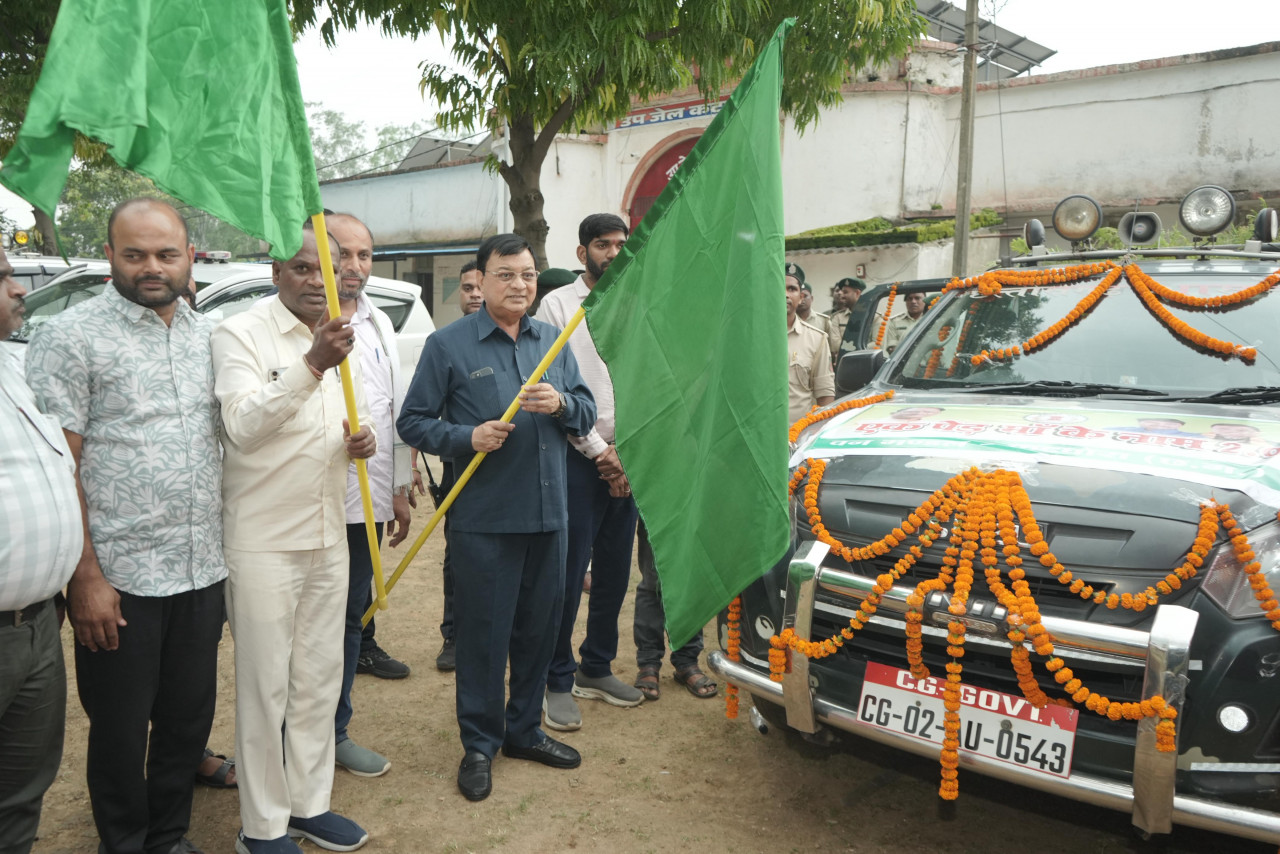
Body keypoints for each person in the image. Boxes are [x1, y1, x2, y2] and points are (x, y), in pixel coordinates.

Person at [25, 199, 227, 854]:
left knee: (187, 719)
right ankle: (125, 840)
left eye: (166, 254)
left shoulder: (208, 335)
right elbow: (59, 466)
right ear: (109, 254)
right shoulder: (70, 337)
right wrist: (85, 577)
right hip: (119, 576)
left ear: (189, 257)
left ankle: (169, 837)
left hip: (201, 566)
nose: (151, 267)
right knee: (118, 728)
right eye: (134, 254)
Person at [397, 233, 596, 802]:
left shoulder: (553, 341)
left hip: (549, 516)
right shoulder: (448, 345)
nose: (519, 285)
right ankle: (480, 745)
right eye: (506, 274)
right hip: (485, 520)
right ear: (480, 282)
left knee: (539, 630)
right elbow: (413, 421)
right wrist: (468, 437)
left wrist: (562, 405)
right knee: (484, 637)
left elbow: (585, 411)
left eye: (528, 275)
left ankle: (524, 730)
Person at [212, 222, 375, 854]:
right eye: (301, 268)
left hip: (327, 535)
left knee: (318, 679)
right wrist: (312, 365)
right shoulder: (240, 333)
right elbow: (242, 427)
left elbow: (330, 423)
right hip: (262, 542)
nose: (315, 281)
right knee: (265, 687)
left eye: (324, 270)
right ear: (276, 270)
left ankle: (310, 805)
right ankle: (262, 826)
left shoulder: (339, 333)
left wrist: (356, 440)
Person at [535, 214, 644, 732]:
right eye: (604, 245)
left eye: (622, 244)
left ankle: (595, 667)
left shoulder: (641, 301)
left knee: (616, 572)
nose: (615, 253)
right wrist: (601, 452)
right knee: (566, 571)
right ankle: (556, 677)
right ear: (583, 253)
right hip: (576, 458)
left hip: (631, 455)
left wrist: (628, 452)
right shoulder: (558, 306)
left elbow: (648, 380)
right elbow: (555, 390)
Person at [0, 245, 83, 854]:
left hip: (37, 627)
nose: (18, 289)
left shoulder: (17, 365)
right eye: (2, 277)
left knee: (22, 793)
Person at [327, 213, 415, 778]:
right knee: (304, 626)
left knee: (349, 620)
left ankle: (334, 731)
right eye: (342, 253)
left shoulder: (380, 321)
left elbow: (393, 410)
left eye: (364, 255)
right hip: (307, 505)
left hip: (367, 502)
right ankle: (289, 736)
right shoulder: (295, 320)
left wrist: (398, 488)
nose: (353, 266)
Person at [434, 260, 486, 672]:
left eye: (479, 286)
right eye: (467, 288)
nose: (474, 294)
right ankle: (454, 635)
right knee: (459, 555)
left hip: (512, 471)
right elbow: (421, 415)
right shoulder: (446, 344)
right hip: (461, 468)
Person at [632, 520, 717, 700]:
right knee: (653, 580)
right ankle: (648, 662)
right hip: (657, 506)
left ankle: (686, 661)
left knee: (689, 578)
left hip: (692, 506)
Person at [786, 272, 835, 424]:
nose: (785, 294)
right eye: (778, 288)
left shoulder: (817, 339)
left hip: (798, 432)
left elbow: (825, 394)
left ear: (801, 297)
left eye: (791, 289)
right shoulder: (751, 336)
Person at [827, 277, 865, 359]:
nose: (841, 294)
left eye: (845, 292)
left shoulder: (874, 317)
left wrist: (849, 349)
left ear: (857, 293)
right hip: (844, 363)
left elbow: (877, 344)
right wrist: (859, 348)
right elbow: (835, 345)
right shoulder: (837, 317)